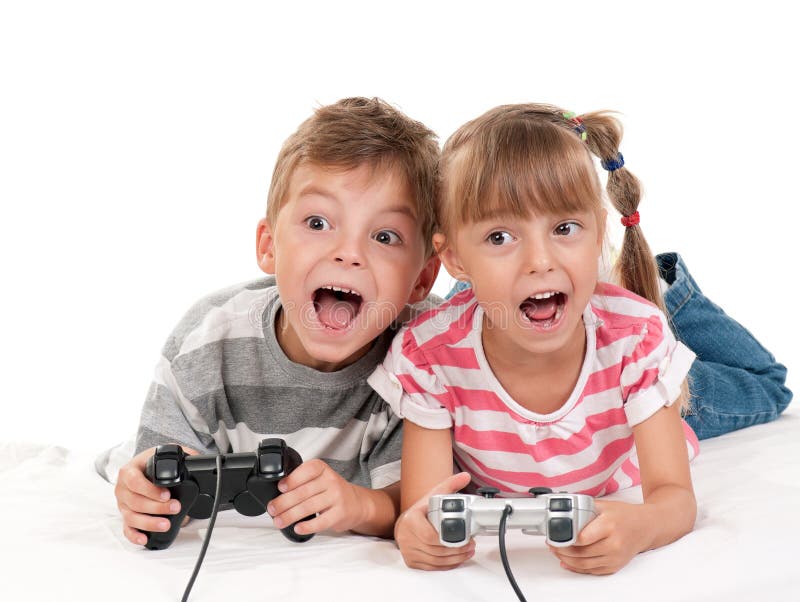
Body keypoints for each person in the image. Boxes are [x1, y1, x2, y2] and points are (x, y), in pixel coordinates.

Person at [368, 103, 790, 575]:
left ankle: (671, 288)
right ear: (452, 258)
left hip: (626, 414)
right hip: (512, 314)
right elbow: (423, 506)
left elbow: (674, 500)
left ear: (597, 235)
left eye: (564, 229)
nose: (540, 259)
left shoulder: (634, 341)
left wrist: (641, 527)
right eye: (500, 236)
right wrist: (414, 531)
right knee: (498, 300)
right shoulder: (429, 357)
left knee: (768, 385)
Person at [108, 97, 442, 546]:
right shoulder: (210, 340)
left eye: (385, 236)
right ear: (269, 246)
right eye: (318, 222)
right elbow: (158, 462)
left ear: (421, 278)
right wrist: (150, 494)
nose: (349, 253)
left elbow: (419, 504)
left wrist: (358, 505)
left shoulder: (427, 353)